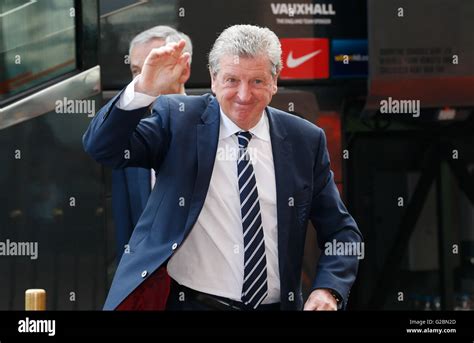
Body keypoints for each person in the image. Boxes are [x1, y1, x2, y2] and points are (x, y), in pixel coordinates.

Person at [84, 24, 363, 311]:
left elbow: (342, 233)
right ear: (214, 79)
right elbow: (102, 147)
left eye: (257, 81)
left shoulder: (305, 139)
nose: (244, 95)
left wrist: (329, 290)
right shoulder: (178, 120)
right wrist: (142, 89)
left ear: (274, 81)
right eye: (231, 80)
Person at [112, 26, 193, 263]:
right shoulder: (129, 137)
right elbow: (126, 228)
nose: (142, 80)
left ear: (184, 71)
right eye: (136, 70)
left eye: (153, 68)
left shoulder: (217, 126)